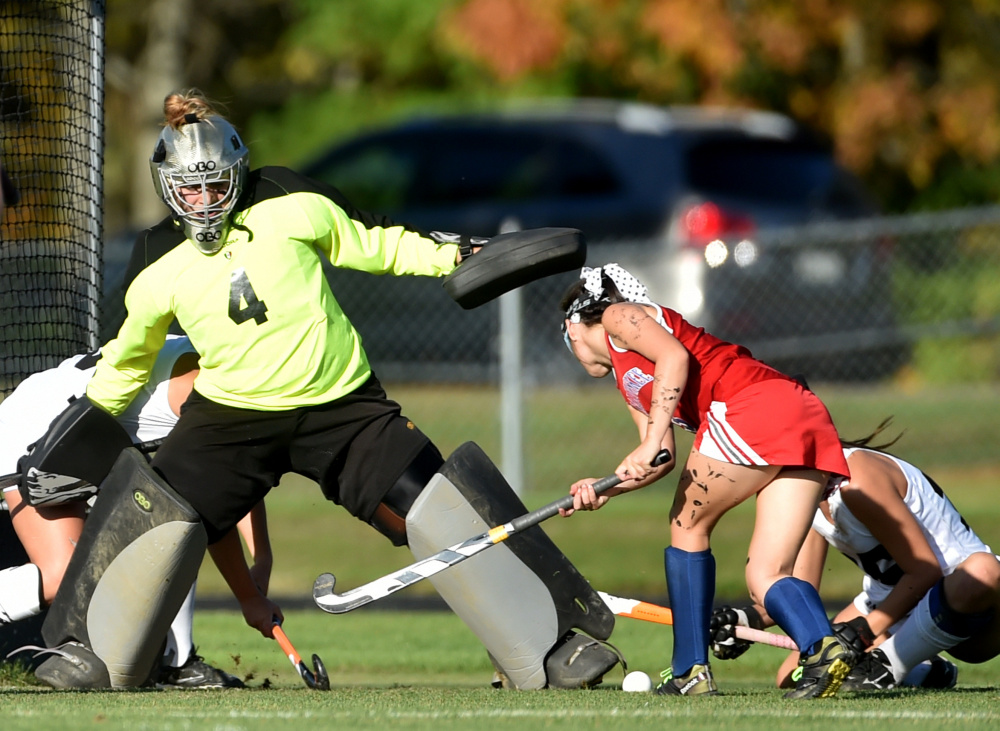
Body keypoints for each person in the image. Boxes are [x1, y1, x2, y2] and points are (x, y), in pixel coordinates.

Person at [39, 89, 618, 691]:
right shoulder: (156, 259)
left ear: (238, 175)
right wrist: (82, 429)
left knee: (442, 504)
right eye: (191, 188)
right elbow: (128, 363)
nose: (206, 201)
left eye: (217, 186)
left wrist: (453, 255)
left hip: (342, 407)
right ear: (167, 186)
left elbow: (378, 244)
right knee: (153, 513)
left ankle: (552, 646)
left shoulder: (288, 201)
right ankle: (90, 655)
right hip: (230, 419)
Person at [557, 263, 863, 699]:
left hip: (749, 404)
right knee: (766, 573)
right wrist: (604, 489)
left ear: (572, 324)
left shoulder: (618, 316)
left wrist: (648, 442)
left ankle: (688, 670)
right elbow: (659, 455)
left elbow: (675, 358)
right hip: (799, 412)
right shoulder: (630, 384)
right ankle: (824, 649)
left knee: (687, 525)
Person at [0, 335, 267, 688]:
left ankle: (176, 661)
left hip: (85, 436)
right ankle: (175, 661)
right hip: (39, 429)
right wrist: (249, 597)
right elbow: (214, 501)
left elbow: (239, 473)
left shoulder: (228, 365)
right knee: (65, 575)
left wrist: (263, 557)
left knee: (168, 524)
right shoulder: (206, 389)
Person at [709, 419, 1000, 692]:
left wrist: (864, 631)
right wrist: (747, 619)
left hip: (969, 602)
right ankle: (928, 671)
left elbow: (926, 571)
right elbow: (800, 589)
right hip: (896, 603)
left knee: (981, 571)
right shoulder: (804, 493)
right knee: (791, 674)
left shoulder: (856, 482)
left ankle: (889, 665)